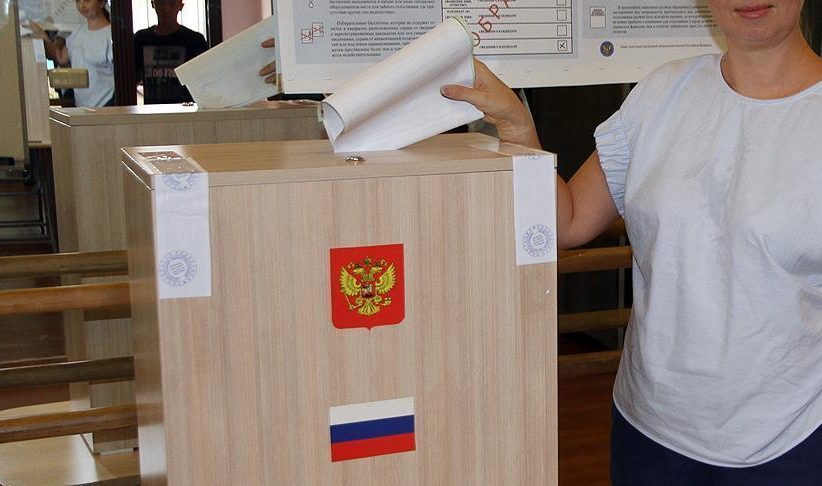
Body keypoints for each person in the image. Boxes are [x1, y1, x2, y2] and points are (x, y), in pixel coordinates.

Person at [442, 0, 822, 484]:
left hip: (791, 438)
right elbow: (568, 223)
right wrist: (518, 127)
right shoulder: (663, 93)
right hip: (649, 428)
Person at [30, 0, 114, 107]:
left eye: (87, 0)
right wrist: (41, 35)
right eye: (78, 1)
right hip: (82, 107)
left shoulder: (110, 35)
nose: (82, 5)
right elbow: (61, 58)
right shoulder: (77, 32)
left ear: (101, 3)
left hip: (107, 104)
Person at [134, 0, 207, 104]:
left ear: (181, 6)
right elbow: (131, 79)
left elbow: (204, 82)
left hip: (186, 109)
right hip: (152, 110)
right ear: (153, 4)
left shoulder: (195, 40)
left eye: (172, 3)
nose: (166, 9)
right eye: (161, 2)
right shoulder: (141, 39)